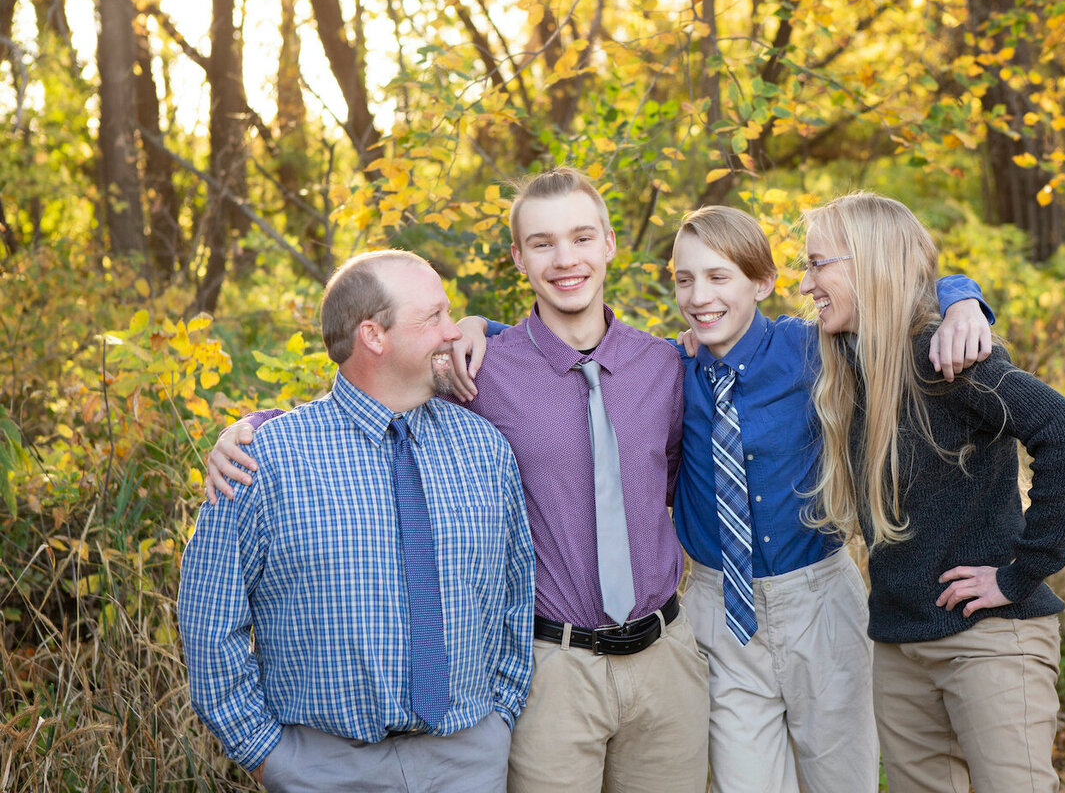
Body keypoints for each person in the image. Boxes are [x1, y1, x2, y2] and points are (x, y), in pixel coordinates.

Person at [204, 169, 709, 793]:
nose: (566, 258)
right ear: (518, 258)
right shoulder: (480, 371)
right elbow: (368, 397)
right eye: (543, 243)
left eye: (582, 237)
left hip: (661, 655)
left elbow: (682, 479)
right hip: (556, 666)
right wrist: (252, 427)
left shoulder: (664, 364)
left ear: (610, 243)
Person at [179, 251, 536, 793]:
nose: (453, 331)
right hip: (323, 768)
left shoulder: (483, 447)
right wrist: (265, 753)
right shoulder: (265, 461)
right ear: (373, 335)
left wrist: (499, 717)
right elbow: (209, 619)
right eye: (433, 317)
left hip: (469, 759)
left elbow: (516, 591)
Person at [669, 205, 992, 792]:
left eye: (719, 277)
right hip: (718, 611)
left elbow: (894, 292)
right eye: (684, 279)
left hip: (817, 599)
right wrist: (475, 329)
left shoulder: (814, 346)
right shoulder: (668, 368)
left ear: (762, 282)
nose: (699, 296)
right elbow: (575, 347)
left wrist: (961, 298)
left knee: (843, 778)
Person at [798, 192, 1065, 793]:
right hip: (899, 642)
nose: (806, 284)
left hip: (989, 639)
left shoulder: (949, 359)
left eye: (816, 264)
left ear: (867, 262)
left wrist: (1022, 572)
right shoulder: (845, 364)